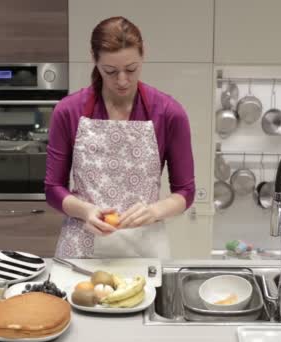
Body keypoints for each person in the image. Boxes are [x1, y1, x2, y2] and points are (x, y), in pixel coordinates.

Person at [44, 16, 195, 259]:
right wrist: (85, 211)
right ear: (94, 60)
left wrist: (155, 211)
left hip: (144, 249)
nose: (122, 80)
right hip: (83, 247)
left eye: (131, 69)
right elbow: (53, 189)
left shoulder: (169, 113)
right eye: (110, 71)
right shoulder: (68, 111)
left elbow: (185, 192)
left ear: (143, 55)